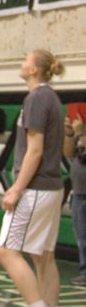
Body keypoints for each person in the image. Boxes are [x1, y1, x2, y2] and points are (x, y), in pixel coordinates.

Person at [0, 50, 66, 307]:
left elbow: (34, 151)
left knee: (6, 252)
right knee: (43, 257)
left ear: (34, 69)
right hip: (52, 188)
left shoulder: (37, 98)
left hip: (36, 187)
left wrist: (15, 189)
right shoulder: (51, 98)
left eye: (25, 58)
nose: (21, 61)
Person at [65, 113, 86, 287]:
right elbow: (68, 152)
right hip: (79, 192)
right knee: (81, 238)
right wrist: (70, 134)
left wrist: (79, 133)